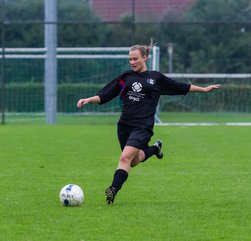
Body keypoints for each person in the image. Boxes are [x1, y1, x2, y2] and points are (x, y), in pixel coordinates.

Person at [77, 43, 221, 204]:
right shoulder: (125, 77)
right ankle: (155, 148)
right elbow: (105, 95)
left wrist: (204, 89)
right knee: (133, 161)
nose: (132, 62)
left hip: (142, 127)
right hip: (124, 125)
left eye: (135, 59)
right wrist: (88, 99)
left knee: (124, 158)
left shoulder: (156, 78)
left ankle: (113, 190)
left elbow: (180, 87)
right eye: (130, 59)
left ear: (145, 57)